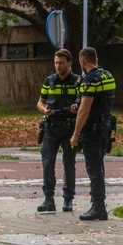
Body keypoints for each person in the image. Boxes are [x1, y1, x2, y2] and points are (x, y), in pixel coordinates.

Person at [69, 47, 115, 221]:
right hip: (106, 126)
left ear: (82, 61)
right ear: (96, 58)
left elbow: (85, 110)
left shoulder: (89, 80)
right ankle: (99, 204)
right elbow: (100, 101)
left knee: (94, 168)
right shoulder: (108, 75)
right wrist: (79, 104)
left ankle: (98, 206)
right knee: (99, 165)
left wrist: (75, 134)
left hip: (93, 129)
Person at [35, 49, 80, 213]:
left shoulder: (78, 81)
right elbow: (40, 102)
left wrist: (77, 107)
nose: (57, 66)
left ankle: (68, 199)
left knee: (69, 164)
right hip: (51, 127)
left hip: (69, 127)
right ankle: (49, 199)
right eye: (55, 63)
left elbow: (83, 102)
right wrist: (44, 110)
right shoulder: (49, 81)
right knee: (47, 163)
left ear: (69, 63)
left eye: (61, 63)